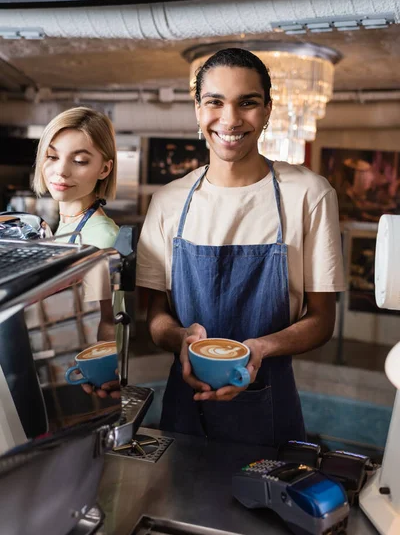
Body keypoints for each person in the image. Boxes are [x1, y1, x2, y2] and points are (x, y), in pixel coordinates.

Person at [136, 48, 346, 446]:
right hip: (183, 404)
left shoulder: (309, 194)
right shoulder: (168, 201)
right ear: (198, 109)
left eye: (247, 103)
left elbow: (322, 320)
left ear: (268, 110)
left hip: (270, 408)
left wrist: (260, 348)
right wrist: (180, 339)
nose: (230, 119)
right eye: (215, 102)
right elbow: (156, 316)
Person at [33, 106, 120, 398]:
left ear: (104, 169)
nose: (61, 170)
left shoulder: (100, 237)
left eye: (80, 160)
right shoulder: (63, 227)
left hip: (76, 382)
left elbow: (107, 322)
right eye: (53, 156)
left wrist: (102, 380)